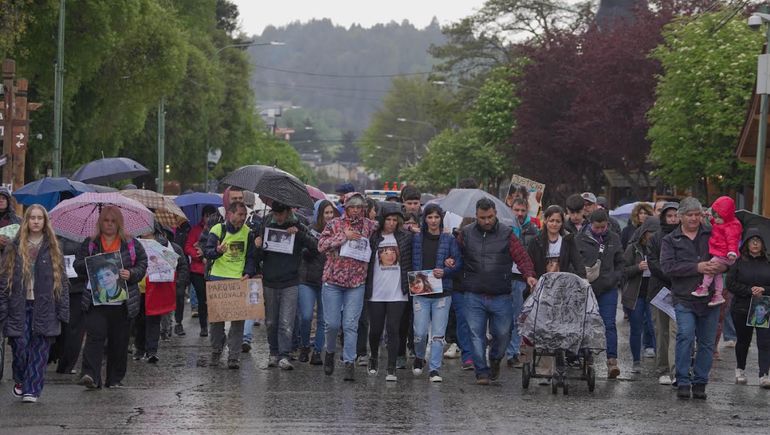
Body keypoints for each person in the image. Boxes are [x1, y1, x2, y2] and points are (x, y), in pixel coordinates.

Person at [458, 198, 536, 385]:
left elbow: (522, 257)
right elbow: (455, 254)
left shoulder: (507, 234)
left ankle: (495, 359)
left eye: (490, 217)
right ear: (476, 216)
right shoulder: (465, 234)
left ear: (495, 214)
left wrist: (529, 275)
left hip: (500, 294)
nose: (487, 221)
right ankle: (481, 372)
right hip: (473, 294)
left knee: (503, 334)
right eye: (482, 217)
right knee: (476, 335)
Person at [0, 205, 69, 403]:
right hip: (19, 305)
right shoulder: (14, 246)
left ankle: (32, 390)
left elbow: (62, 281)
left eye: (40, 218)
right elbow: (4, 279)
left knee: (39, 350)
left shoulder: (53, 247)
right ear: (26, 221)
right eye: (32, 217)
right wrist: (3, 309)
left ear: (45, 221)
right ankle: (21, 380)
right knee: (20, 347)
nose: (36, 221)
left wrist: (63, 311)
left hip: (45, 306)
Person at [75, 206, 148, 389]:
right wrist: (91, 264)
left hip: (123, 302)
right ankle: (91, 375)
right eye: (106, 221)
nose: (109, 224)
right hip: (95, 301)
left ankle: (115, 379)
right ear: (100, 222)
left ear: (119, 223)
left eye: (113, 221)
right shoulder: (90, 243)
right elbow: (77, 265)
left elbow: (142, 264)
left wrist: (131, 273)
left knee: (119, 341)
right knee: (95, 337)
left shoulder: (131, 243)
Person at [660, 197, 726, 400]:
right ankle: (682, 380)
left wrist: (722, 266)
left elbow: (727, 256)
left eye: (697, 214)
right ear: (680, 216)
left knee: (706, 342)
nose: (694, 218)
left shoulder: (712, 233)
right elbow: (667, 267)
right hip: (684, 297)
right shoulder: (670, 240)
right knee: (685, 336)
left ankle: (700, 382)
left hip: (710, 299)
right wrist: (697, 267)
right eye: (689, 215)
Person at [318, 192, 377, 381]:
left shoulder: (369, 226)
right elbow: (321, 245)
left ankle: (349, 362)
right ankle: (330, 352)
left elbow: (389, 227)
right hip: (333, 281)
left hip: (357, 283)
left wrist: (411, 226)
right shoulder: (334, 224)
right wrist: (344, 236)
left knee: (350, 325)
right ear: (346, 207)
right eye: (352, 207)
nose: (356, 210)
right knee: (332, 324)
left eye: (360, 207)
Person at [254, 201, 316, 370]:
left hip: (290, 281)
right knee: (271, 322)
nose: (278, 217)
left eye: (281, 214)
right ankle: (273, 353)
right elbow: (257, 256)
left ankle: (284, 355)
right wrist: (257, 244)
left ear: (288, 211)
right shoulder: (265, 224)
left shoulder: (298, 224)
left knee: (286, 322)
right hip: (270, 281)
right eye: (275, 214)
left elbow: (315, 247)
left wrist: (299, 234)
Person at [204, 201, 258, 369]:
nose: (243, 218)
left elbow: (251, 257)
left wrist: (248, 272)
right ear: (230, 214)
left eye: (245, 215)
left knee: (238, 321)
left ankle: (234, 356)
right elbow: (207, 252)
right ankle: (216, 350)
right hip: (218, 278)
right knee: (217, 320)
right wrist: (217, 251)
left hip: (238, 280)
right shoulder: (217, 230)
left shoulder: (248, 233)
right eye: (240, 214)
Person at [411, 203, 462, 383]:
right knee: (420, 333)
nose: (433, 221)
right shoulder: (416, 238)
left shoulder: (449, 239)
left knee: (438, 335)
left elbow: (458, 262)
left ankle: (434, 369)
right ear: (425, 219)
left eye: (436, 217)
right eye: (430, 217)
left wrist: (447, 270)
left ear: (441, 218)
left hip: (442, 292)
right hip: (421, 291)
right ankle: (419, 356)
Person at [365, 202, 412, 381]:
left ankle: (391, 367)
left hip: (398, 292)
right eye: (388, 219)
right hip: (376, 291)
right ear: (382, 220)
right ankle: (373, 358)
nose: (391, 223)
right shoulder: (374, 238)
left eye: (395, 220)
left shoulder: (406, 237)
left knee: (393, 329)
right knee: (375, 330)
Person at [577, 209, 624, 379]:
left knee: (609, 324)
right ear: (590, 224)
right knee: (586, 323)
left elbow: (620, 262)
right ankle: (585, 358)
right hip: (586, 288)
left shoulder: (614, 238)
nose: (600, 230)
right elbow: (574, 262)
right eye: (596, 227)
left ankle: (612, 361)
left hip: (608, 289)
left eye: (603, 227)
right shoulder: (580, 239)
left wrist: (615, 277)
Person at [133, 227, 189, 364]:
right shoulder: (134, 244)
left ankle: (152, 351)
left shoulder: (164, 245)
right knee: (139, 321)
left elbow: (178, 264)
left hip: (156, 288)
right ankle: (140, 349)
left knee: (153, 320)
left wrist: (177, 282)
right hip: (138, 288)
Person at [726, 228, 770, 388]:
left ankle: (764, 374)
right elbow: (730, 283)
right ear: (746, 244)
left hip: (762, 306)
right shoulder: (738, 262)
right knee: (743, 340)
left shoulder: (768, 262)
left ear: (763, 244)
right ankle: (740, 369)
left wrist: (764, 289)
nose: (755, 244)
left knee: (764, 341)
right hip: (742, 306)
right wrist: (749, 290)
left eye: (758, 241)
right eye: (752, 241)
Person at [298, 199, 339, 365]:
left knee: (324, 319)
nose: (329, 216)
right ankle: (304, 346)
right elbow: (302, 251)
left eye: (331, 213)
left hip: (327, 280)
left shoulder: (338, 232)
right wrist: (311, 249)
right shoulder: (311, 229)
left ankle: (317, 351)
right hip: (307, 278)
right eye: (326, 213)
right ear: (319, 214)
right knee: (306, 316)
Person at [646, 202, 680, 385]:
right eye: (669, 216)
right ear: (663, 217)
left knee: (678, 331)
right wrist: (672, 275)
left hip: (681, 290)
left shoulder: (685, 236)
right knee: (662, 332)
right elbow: (653, 263)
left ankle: (677, 371)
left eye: (676, 215)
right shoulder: (655, 238)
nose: (673, 219)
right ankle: (663, 368)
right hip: (660, 291)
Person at [622, 216, 660, 373]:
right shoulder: (633, 248)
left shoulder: (661, 246)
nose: (653, 235)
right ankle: (636, 361)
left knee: (655, 328)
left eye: (656, 232)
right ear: (644, 233)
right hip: (636, 294)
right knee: (636, 328)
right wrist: (637, 267)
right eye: (651, 232)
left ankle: (660, 362)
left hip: (654, 294)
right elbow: (622, 271)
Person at [692, 196, 742, 307]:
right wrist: (710, 217)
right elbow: (716, 225)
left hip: (725, 254)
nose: (717, 220)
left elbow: (732, 240)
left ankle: (704, 288)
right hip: (720, 252)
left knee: (710, 267)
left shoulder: (732, 226)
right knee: (717, 274)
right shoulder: (721, 222)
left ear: (726, 216)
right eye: (716, 217)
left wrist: (732, 251)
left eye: (719, 217)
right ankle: (718, 295)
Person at [506, 197, 539, 368]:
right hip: (504, 276)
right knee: (502, 317)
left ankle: (513, 353)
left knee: (518, 317)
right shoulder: (504, 227)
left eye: (522, 210)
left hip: (522, 277)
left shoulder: (533, 229)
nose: (519, 213)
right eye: (516, 210)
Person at [55, 236, 87, 375]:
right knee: (74, 329)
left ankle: (56, 358)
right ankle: (66, 364)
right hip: (77, 287)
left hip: (59, 286)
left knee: (60, 326)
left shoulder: (53, 237)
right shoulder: (87, 240)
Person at [185, 205, 217, 337]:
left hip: (214, 270)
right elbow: (188, 246)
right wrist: (197, 255)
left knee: (213, 299)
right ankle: (203, 326)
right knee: (202, 299)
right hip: (197, 271)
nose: (208, 218)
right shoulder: (195, 230)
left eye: (211, 215)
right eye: (206, 215)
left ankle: (215, 328)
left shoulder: (219, 229)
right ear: (203, 216)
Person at [0, 187, 21, 254]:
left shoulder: (18, 220)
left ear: (8, 201)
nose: (1, 200)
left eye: (3, 198)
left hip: (12, 255)